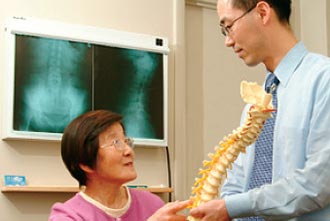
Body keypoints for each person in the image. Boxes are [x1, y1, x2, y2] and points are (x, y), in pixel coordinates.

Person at [190, 0, 330, 220]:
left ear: (263, 12)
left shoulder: (324, 80)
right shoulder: (254, 108)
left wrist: (231, 207)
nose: (227, 41)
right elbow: (237, 181)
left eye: (229, 26)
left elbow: (319, 183)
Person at [49, 110, 190, 221]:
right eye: (116, 143)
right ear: (85, 163)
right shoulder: (68, 216)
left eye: (126, 141)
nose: (129, 151)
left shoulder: (152, 204)